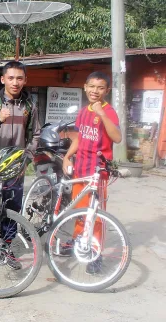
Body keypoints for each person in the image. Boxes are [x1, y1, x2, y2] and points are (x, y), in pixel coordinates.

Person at [0, 61, 40, 270]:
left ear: (25, 80)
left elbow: (35, 135)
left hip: (16, 170)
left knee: (12, 209)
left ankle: (6, 247)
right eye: (11, 78)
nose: (15, 82)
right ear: (3, 79)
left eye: (19, 78)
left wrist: (26, 158)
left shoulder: (30, 107)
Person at [61, 71, 121, 274]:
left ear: (107, 90)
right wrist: (68, 156)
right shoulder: (83, 111)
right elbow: (78, 138)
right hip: (81, 170)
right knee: (79, 210)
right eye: (92, 86)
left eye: (100, 87)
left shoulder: (108, 111)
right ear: (85, 87)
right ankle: (78, 242)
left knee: (95, 215)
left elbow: (117, 137)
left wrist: (102, 114)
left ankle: (95, 253)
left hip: (98, 172)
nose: (95, 91)